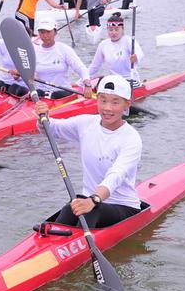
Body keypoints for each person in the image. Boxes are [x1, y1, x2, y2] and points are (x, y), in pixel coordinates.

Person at [34, 75, 142, 229]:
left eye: (115, 102)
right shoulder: (85, 123)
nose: (107, 108)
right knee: (69, 208)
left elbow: (116, 175)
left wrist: (94, 199)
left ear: (127, 105)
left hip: (123, 206)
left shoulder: (131, 139)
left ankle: (75, 247)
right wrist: (43, 116)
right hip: (88, 201)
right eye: (103, 100)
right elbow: (52, 129)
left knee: (90, 212)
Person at [32, 16, 93, 99]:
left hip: (62, 93)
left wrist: (87, 85)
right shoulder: (34, 51)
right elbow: (27, 75)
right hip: (40, 93)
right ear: (38, 33)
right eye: (42, 32)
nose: (45, 35)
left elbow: (81, 68)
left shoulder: (64, 49)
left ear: (55, 32)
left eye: (48, 32)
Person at [87, 13, 144, 87]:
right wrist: (83, 80)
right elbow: (94, 66)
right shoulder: (103, 44)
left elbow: (140, 53)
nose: (113, 32)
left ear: (122, 30)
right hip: (114, 80)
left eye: (116, 30)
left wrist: (136, 57)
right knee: (100, 80)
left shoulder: (128, 40)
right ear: (107, 30)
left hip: (130, 79)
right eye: (110, 30)